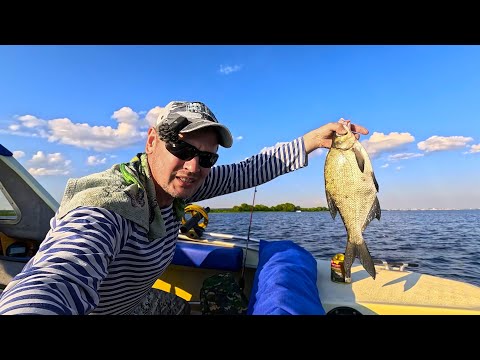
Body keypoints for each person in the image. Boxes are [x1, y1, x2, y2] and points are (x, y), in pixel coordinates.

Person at [0, 101, 368, 315]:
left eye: (206, 156)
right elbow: (57, 276)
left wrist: (311, 140)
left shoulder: (181, 186)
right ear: (152, 141)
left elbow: (248, 170)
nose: (193, 166)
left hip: (136, 303)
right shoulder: (109, 202)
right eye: (182, 149)